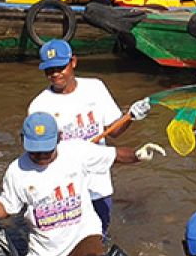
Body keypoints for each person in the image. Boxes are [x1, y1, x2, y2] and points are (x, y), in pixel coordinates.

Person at [0, 113, 150, 256]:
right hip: (48, 247)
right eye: (35, 151)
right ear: (22, 141)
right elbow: (7, 203)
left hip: (84, 232)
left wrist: (138, 155)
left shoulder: (76, 151)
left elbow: (113, 155)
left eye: (47, 150)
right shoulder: (17, 171)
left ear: (59, 138)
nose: (41, 156)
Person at [27, 40, 152, 233]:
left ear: (73, 62)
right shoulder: (39, 107)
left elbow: (114, 130)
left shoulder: (95, 88)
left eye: (60, 67)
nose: (55, 74)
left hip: (98, 184)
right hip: (66, 191)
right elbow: (39, 157)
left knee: (99, 236)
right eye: (49, 70)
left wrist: (132, 116)